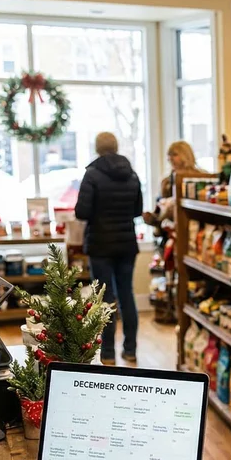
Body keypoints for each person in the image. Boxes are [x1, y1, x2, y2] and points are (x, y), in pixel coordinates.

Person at [75, 132, 143, 364]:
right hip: (126, 243)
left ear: (97, 148)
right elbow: (137, 210)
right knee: (127, 295)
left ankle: (107, 354)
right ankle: (131, 350)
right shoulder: (131, 174)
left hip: (100, 245)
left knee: (105, 299)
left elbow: (81, 212)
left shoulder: (92, 174)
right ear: (115, 146)